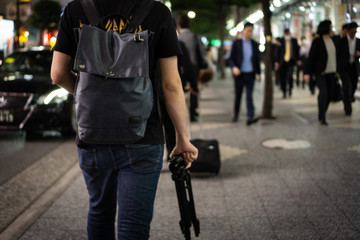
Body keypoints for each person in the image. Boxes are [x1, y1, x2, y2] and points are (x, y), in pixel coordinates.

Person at [50, 1, 198, 239]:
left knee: (99, 212)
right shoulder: (157, 11)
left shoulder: (76, 9)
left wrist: (89, 96)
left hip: (93, 134)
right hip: (143, 135)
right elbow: (170, 85)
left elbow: (57, 74)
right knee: (133, 225)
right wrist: (182, 139)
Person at [304, 20, 338, 126]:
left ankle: (322, 112)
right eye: (330, 27)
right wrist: (307, 73)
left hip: (332, 72)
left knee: (330, 94)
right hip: (321, 72)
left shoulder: (334, 40)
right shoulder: (317, 41)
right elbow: (311, 58)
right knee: (324, 93)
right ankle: (322, 117)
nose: (331, 29)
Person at [228, 22, 261, 125]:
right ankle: (236, 114)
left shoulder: (254, 44)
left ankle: (250, 116)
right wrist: (234, 67)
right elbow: (230, 59)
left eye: (251, 31)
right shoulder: (237, 43)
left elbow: (257, 60)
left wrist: (258, 73)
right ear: (243, 31)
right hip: (239, 74)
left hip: (250, 74)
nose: (249, 33)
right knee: (238, 95)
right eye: (248, 31)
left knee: (249, 95)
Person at [177, 14, 208, 122]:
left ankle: (182, 112)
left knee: (181, 91)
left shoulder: (177, 37)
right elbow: (201, 53)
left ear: (179, 24)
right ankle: (193, 111)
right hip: (193, 67)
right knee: (194, 89)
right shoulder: (195, 37)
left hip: (179, 69)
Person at [338, 21, 360, 113]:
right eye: (352, 32)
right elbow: (338, 55)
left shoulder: (358, 41)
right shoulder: (342, 41)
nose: (353, 34)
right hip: (344, 68)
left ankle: (349, 98)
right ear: (348, 31)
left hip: (354, 67)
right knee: (346, 86)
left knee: (353, 85)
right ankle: (348, 108)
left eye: (355, 32)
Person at [275, 29, 300, 98]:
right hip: (282, 62)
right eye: (286, 34)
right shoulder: (281, 41)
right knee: (282, 78)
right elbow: (277, 52)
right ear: (284, 34)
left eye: (288, 34)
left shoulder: (294, 41)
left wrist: (298, 60)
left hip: (291, 62)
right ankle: (284, 91)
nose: (287, 36)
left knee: (290, 77)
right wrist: (276, 61)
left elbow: (297, 51)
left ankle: (290, 89)